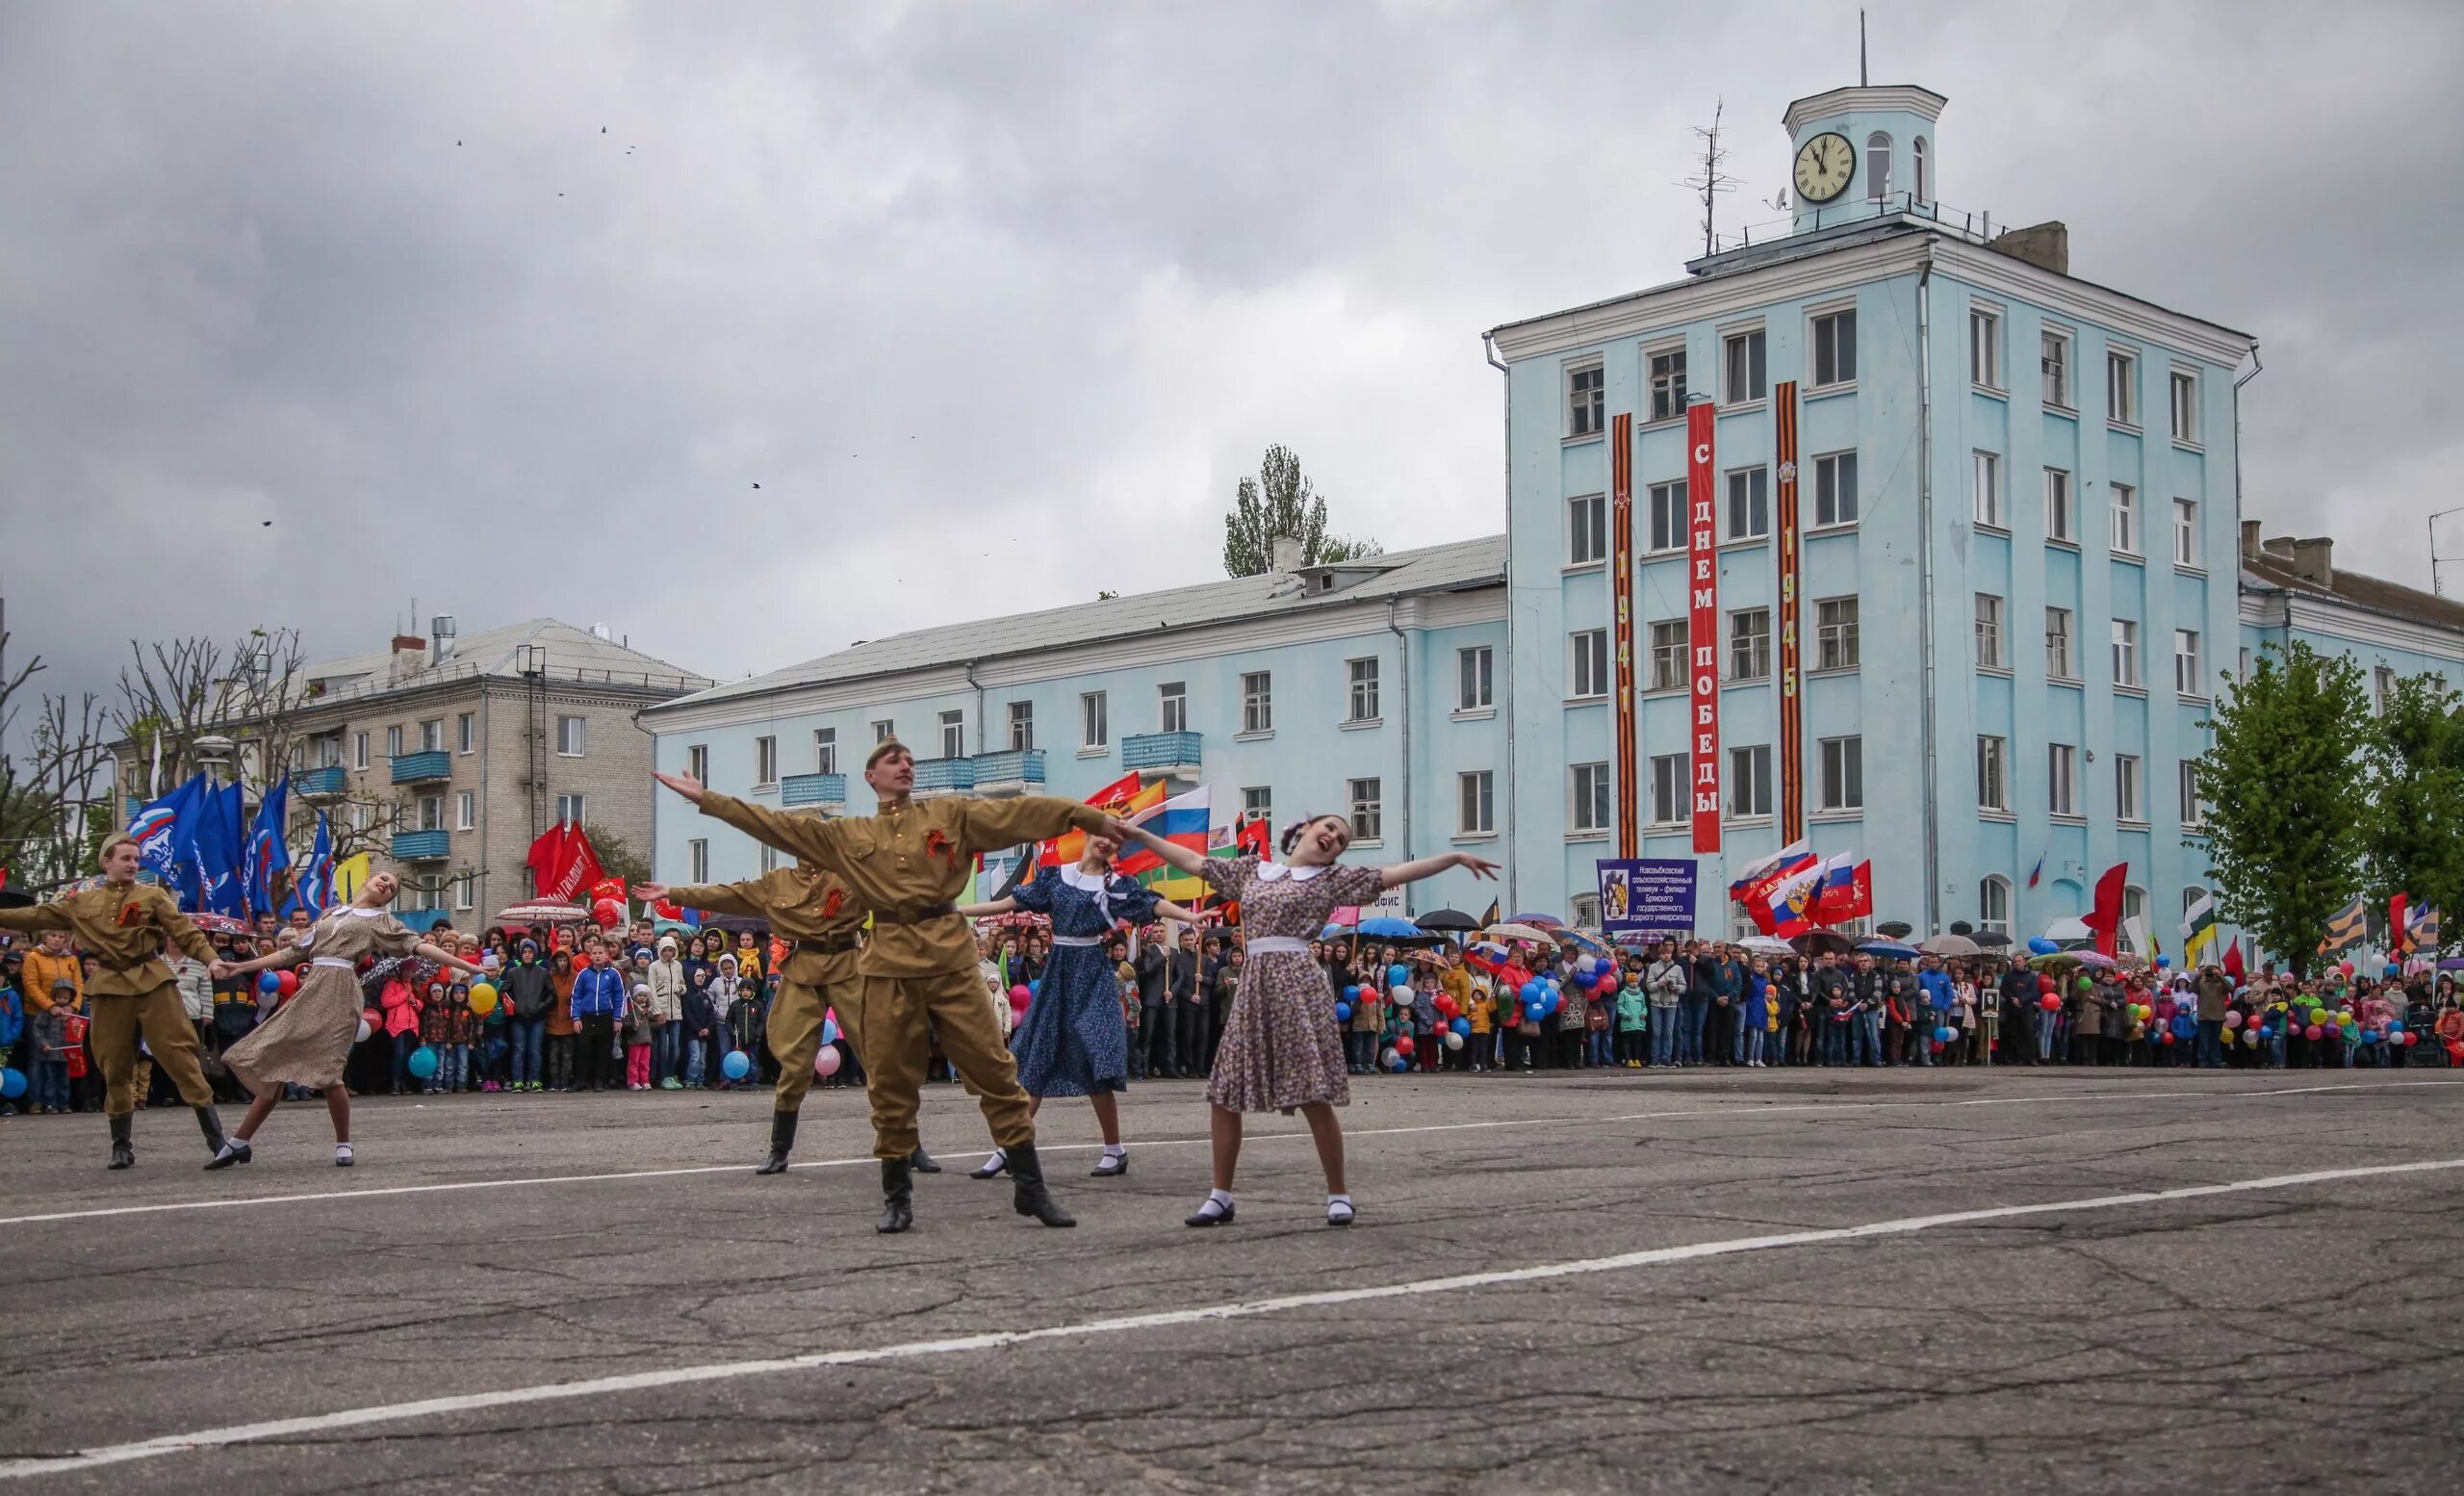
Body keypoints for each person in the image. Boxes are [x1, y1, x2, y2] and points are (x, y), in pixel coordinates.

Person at [656, 741, 1112, 1234]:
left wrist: (1082, 816)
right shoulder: (850, 835)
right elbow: (775, 826)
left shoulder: (949, 813)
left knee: (995, 1069)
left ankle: (1031, 1186)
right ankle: (897, 1196)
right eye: (892, 760)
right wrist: (708, 799)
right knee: (890, 1081)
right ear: (871, 776)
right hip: (888, 963)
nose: (905, 764)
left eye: (909, 759)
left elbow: (1018, 814)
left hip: (949, 958)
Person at [1109, 809, 1496, 1229]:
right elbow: (1192, 862)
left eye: (1342, 839)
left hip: (1297, 981)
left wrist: (1453, 858)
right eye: (1329, 827)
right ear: (1306, 829)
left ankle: (1338, 1195)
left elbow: (1394, 872)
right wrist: (1142, 837)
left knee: (1313, 1093)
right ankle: (1220, 1197)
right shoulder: (1254, 871)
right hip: (1254, 981)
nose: (1333, 836)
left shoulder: (1331, 880)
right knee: (1224, 1093)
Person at [954, 828, 1210, 1180]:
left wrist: (1190, 918)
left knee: (1097, 1059)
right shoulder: (1055, 876)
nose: (1106, 841)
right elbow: (1009, 903)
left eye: (1114, 840)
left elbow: (1151, 902)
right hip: (1060, 970)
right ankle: (1010, 1149)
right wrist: (959, 909)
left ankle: (1114, 1150)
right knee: (1036, 1061)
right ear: (1089, 837)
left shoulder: (1114, 884)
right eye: (1102, 834)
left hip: (1092, 974)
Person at [207, 873, 485, 1168]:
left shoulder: (381, 921)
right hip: (312, 989)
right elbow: (292, 952)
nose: (386, 885)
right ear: (368, 880)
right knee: (275, 1064)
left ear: (387, 900)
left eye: (391, 888)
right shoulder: (331, 913)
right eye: (383, 879)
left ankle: (343, 1143)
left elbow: (420, 947)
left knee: (329, 1071)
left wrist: (467, 964)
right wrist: (240, 968)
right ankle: (238, 1143)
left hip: (341, 991)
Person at [0, 834, 231, 1169]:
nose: (133, 865)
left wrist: (211, 959)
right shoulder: (82, 902)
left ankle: (218, 1142)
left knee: (181, 1057)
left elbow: (185, 932)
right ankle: (121, 1146)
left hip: (152, 983)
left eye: (136, 859)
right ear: (106, 862)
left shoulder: (153, 895)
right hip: (108, 987)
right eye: (125, 858)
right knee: (115, 1066)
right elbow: (35, 916)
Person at [570, 939, 627, 1092]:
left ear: (607, 955)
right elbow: (576, 996)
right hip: (587, 1017)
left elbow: (618, 997)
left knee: (603, 1050)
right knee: (583, 1049)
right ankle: (580, 1080)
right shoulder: (584, 974)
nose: (597, 956)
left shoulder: (613, 974)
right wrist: (576, 1018)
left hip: (605, 1016)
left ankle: (599, 1080)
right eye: (594, 953)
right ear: (590, 956)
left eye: (600, 953)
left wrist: (617, 1018)